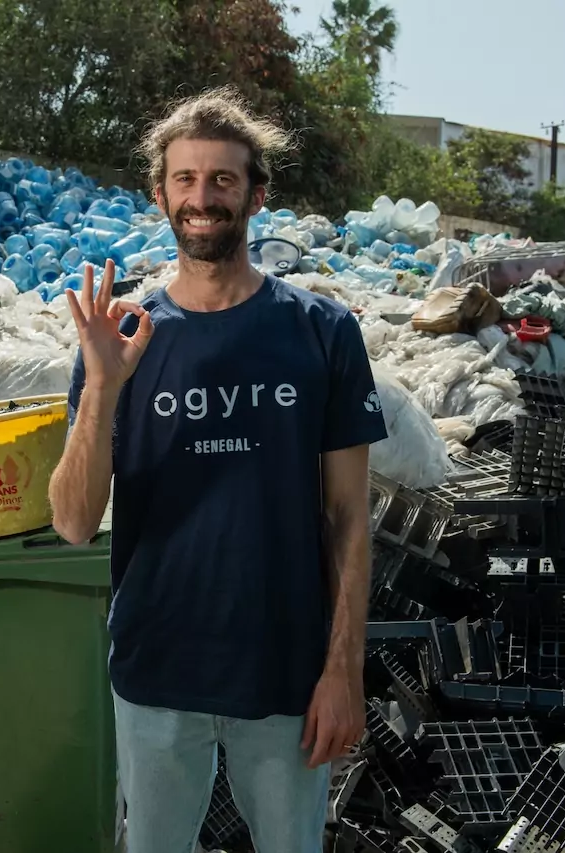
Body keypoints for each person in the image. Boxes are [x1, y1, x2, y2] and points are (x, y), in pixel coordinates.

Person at [48, 86, 389, 853]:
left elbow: (347, 520)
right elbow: (72, 522)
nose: (203, 198)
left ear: (256, 195)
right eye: (186, 179)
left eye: (224, 179)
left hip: (285, 669)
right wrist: (101, 385)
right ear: (160, 193)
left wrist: (344, 673)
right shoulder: (123, 337)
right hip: (157, 665)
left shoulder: (321, 330)